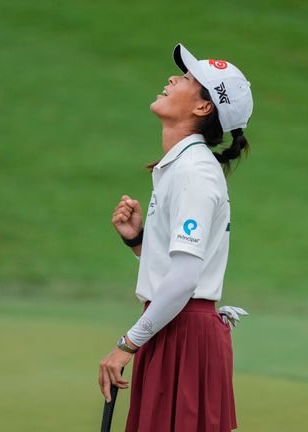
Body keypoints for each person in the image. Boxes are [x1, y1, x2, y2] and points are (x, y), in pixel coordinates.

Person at [98, 43, 253, 432]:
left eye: (187, 79)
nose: (172, 78)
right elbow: (179, 270)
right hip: (173, 329)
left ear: (203, 108)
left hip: (183, 335)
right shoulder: (182, 167)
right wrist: (139, 242)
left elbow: (185, 281)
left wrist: (125, 345)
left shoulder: (193, 173)